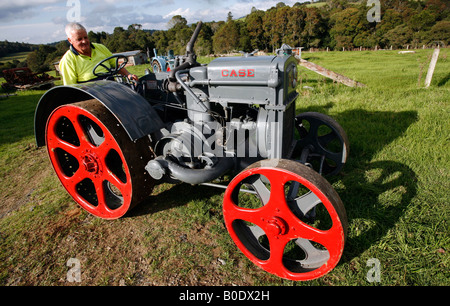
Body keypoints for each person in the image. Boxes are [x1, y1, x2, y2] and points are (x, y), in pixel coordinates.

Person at [59, 22, 139, 85]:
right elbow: (71, 86)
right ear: (70, 40)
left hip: (111, 85)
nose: (84, 41)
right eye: (79, 39)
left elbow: (115, 65)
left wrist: (128, 75)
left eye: (85, 37)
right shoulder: (68, 60)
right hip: (91, 93)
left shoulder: (100, 48)